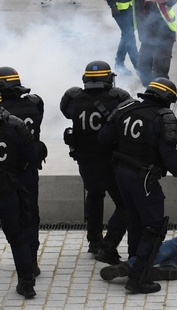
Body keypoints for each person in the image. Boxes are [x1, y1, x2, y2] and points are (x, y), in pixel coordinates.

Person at [98, 78, 177, 294]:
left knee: (135, 218)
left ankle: (133, 263)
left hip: (120, 172)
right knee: (154, 227)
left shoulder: (125, 107)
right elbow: (169, 158)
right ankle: (138, 279)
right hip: (144, 177)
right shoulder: (163, 117)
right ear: (166, 98)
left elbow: (104, 138)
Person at [60, 61, 132, 265]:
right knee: (124, 204)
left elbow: (67, 113)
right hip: (109, 160)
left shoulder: (73, 99)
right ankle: (108, 244)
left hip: (84, 159)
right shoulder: (118, 98)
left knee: (94, 194)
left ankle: (93, 240)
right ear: (108, 78)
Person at [0, 83, 39, 309]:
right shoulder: (15, 125)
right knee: (18, 237)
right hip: (9, 192)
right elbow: (30, 155)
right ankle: (27, 283)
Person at [0, 67, 47, 279]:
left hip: (5, 175)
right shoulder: (34, 103)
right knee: (31, 215)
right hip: (28, 170)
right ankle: (30, 262)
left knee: (10, 221)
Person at [112, 0, 177, 87]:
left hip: (164, 37)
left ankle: (162, 96)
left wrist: (165, 0)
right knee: (142, 68)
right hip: (146, 38)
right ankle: (150, 92)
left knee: (160, 72)